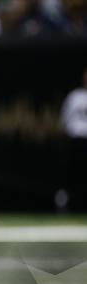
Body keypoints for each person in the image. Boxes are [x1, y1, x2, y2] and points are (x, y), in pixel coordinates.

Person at [60, 67, 87, 210]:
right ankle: (65, 203)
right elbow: (65, 119)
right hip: (76, 141)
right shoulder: (75, 96)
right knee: (72, 175)